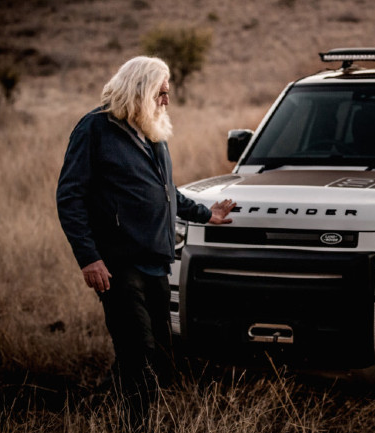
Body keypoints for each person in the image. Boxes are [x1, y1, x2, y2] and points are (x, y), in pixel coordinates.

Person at [56, 56, 235, 429]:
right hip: (117, 266)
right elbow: (70, 197)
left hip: (156, 262)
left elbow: (167, 193)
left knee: (159, 357)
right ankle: (136, 425)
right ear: (139, 89)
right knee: (139, 355)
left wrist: (207, 215)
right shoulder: (94, 129)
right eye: (161, 93)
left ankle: (108, 403)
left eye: (167, 93)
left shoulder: (151, 132)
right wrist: (89, 258)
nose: (166, 101)